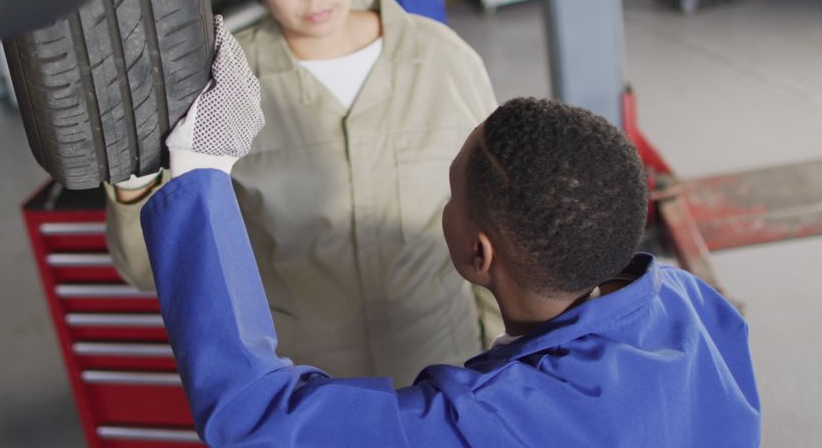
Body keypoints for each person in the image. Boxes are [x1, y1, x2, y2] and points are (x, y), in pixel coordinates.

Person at [140, 25, 762, 447]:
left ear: (477, 253)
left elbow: (255, 419)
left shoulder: (491, 421)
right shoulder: (687, 303)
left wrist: (202, 171)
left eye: (452, 193)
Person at [105, 0, 502, 385]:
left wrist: (498, 370)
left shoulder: (443, 59)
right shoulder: (222, 87)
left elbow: (496, 232)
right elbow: (151, 269)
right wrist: (132, 177)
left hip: (445, 372)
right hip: (308, 392)